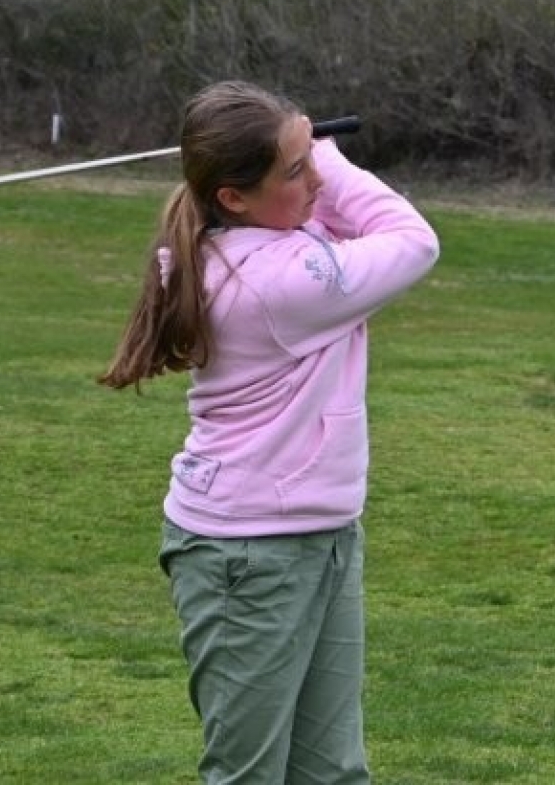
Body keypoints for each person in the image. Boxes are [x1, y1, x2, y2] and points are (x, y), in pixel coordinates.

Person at [100, 80, 439, 784]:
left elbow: (327, 228)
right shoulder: (279, 281)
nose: (314, 180)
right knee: (249, 776)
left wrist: (296, 153)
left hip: (319, 534)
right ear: (232, 197)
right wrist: (332, 158)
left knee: (332, 773)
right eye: (295, 171)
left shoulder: (270, 245)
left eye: (310, 163)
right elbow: (411, 241)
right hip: (248, 554)